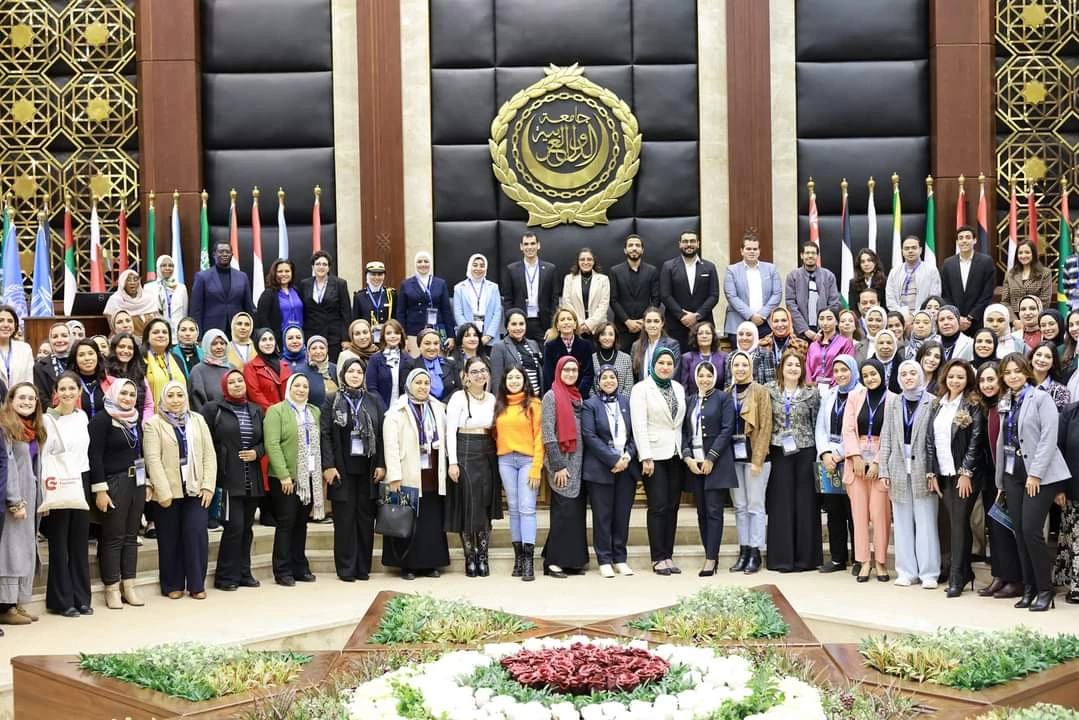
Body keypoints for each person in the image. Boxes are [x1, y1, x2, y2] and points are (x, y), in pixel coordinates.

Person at [996, 353, 1070, 611]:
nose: (1013, 376)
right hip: (1012, 473)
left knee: (1031, 531)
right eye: (1007, 372)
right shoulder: (1006, 400)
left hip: (1040, 475)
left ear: (1026, 372)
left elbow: (1050, 438)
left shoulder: (1040, 398)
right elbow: (1001, 442)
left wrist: (1035, 473)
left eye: (1017, 371)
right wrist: (1000, 480)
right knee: (1019, 532)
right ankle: (1028, 588)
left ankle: (1045, 591)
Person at [143, 381, 216, 599]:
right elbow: (152, 460)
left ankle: (196, 584)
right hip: (168, 493)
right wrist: (163, 493)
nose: (176, 400)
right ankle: (172, 584)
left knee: (196, 535)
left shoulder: (198, 420)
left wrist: (208, 485)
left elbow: (209, 455)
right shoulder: (153, 424)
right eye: (171, 396)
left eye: (179, 395)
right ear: (164, 399)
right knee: (169, 538)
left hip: (196, 489)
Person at [321, 357, 386, 582]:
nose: (355, 375)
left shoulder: (373, 400)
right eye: (351, 372)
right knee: (345, 521)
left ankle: (362, 567)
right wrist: (328, 466)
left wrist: (381, 463)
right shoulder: (332, 400)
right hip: (342, 470)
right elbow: (326, 434)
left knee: (365, 520)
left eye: (359, 371)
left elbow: (381, 434)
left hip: (368, 470)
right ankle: (347, 568)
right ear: (343, 375)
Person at [381, 367, 450, 580]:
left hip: (432, 472)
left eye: (426, 383)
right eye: (418, 383)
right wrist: (394, 476)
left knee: (430, 520)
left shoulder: (438, 408)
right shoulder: (396, 412)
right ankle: (407, 565)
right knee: (407, 520)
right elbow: (390, 446)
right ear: (409, 384)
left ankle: (430, 563)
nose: (423, 387)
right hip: (407, 472)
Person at [88, 378, 149, 610]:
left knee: (131, 536)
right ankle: (112, 587)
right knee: (113, 537)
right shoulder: (101, 421)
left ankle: (129, 585)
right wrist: (100, 489)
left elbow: (140, 453)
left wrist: (147, 483)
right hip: (113, 483)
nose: (127, 398)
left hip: (137, 482)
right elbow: (95, 457)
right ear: (113, 393)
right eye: (123, 393)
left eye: (132, 394)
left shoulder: (135, 420)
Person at [926, 359, 985, 596]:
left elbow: (976, 441)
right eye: (951, 376)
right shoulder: (938, 404)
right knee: (953, 524)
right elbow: (931, 441)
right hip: (943, 472)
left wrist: (966, 472)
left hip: (963, 475)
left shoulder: (972, 405)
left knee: (959, 524)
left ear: (967, 380)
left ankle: (957, 576)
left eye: (960, 377)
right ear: (945, 378)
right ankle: (964, 570)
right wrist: (931, 472)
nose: (955, 381)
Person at [202, 370, 264, 591]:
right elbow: (205, 441)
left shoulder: (256, 410)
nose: (237, 384)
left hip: (252, 479)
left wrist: (257, 452)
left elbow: (264, 441)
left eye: (240, 381)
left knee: (247, 529)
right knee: (234, 527)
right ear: (224, 386)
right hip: (229, 479)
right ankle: (226, 576)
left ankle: (244, 573)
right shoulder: (213, 409)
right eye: (232, 382)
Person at [879, 360, 939, 587]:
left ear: (921, 376)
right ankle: (906, 571)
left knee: (926, 521)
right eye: (904, 374)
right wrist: (884, 469)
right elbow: (886, 438)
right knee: (902, 522)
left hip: (923, 468)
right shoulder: (893, 403)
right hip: (897, 467)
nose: (908, 377)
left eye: (913, 373)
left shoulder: (932, 402)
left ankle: (929, 573)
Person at [630, 347, 686, 575]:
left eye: (669, 364)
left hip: (675, 454)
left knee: (672, 506)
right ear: (653, 365)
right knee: (658, 506)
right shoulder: (641, 389)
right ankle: (657, 557)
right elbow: (639, 424)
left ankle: (669, 555)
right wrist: (645, 456)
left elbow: (678, 423)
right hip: (653, 455)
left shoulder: (678, 388)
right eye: (661, 363)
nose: (665, 367)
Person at [764, 350, 821, 572]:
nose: (793, 369)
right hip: (779, 450)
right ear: (781, 368)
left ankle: (805, 559)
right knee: (781, 504)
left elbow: (817, 423)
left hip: (805, 451)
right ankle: (782, 559)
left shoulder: (812, 393)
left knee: (805, 503)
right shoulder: (769, 390)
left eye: (797, 365)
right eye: (789, 365)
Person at [444, 355, 501, 577]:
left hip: (487, 450)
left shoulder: (492, 398)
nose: (480, 375)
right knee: (469, 504)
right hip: (464, 449)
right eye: (474, 371)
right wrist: (453, 462)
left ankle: (483, 556)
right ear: (466, 376)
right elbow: (450, 431)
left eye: (483, 371)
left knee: (485, 504)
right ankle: (470, 555)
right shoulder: (458, 397)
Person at [264, 374, 323, 586]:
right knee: (287, 523)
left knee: (301, 524)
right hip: (286, 479)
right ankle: (283, 570)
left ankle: (300, 566)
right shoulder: (276, 411)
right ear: (289, 387)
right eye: (297, 385)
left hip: (308, 478)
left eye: (305, 386)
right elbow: (272, 444)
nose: (301, 389)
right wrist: (284, 475)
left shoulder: (314, 411)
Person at [0, 383, 51, 625]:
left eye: (32, 398)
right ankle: (5, 606)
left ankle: (19, 602)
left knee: (27, 549)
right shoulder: (6, 427)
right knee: (11, 551)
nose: (27, 402)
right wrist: (14, 500)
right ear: (11, 399)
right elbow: (8, 467)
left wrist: (42, 499)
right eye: (22, 397)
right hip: (15, 499)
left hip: (31, 497)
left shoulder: (34, 428)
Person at [582, 365, 638, 578]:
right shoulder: (590, 405)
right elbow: (590, 436)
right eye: (604, 377)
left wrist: (626, 457)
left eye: (612, 377)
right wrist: (613, 459)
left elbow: (635, 434)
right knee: (603, 516)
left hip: (626, 467)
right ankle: (604, 559)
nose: (608, 381)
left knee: (622, 515)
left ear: (618, 380)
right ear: (598, 381)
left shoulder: (626, 402)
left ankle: (620, 558)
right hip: (600, 469)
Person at [43, 373, 92, 617]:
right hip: (58, 481)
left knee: (79, 542)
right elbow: (44, 457)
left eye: (72, 388)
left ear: (79, 391)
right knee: (59, 543)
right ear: (56, 392)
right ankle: (62, 600)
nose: (67, 393)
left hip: (81, 479)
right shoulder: (47, 419)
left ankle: (82, 597)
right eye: (62, 388)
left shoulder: (83, 417)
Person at [681, 361, 736, 577]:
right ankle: (709, 552)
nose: (704, 379)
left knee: (714, 511)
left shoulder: (723, 398)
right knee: (701, 512)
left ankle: (711, 559)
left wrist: (712, 457)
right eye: (701, 375)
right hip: (695, 463)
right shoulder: (690, 400)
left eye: (708, 375)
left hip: (717, 462)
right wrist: (687, 457)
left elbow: (727, 429)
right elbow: (684, 432)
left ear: (714, 377)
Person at [975, 364, 1023, 599]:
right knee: (994, 528)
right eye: (983, 380)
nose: (987, 384)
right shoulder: (984, 407)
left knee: (1007, 528)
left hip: (1009, 475)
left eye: (991, 379)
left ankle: (1015, 579)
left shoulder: (1007, 404)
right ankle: (999, 576)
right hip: (990, 476)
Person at [540, 356, 589, 577]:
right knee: (562, 511)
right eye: (566, 370)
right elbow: (548, 434)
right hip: (561, 462)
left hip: (578, 462)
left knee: (575, 512)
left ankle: (572, 561)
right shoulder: (551, 396)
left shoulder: (578, 397)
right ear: (559, 371)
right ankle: (553, 562)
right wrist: (558, 465)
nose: (570, 373)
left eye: (574, 370)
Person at [494, 366, 544, 581]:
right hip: (505, 459)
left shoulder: (534, 404)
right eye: (510, 377)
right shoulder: (499, 405)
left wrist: (536, 467)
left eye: (518, 377)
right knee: (513, 508)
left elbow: (540, 437)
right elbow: (494, 433)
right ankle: (517, 559)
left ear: (525, 380)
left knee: (527, 508)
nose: (514, 381)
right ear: (504, 381)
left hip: (527, 460)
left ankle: (528, 561)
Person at [726, 351, 772, 573]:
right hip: (735, 459)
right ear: (731, 368)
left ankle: (756, 552)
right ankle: (743, 551)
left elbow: (765, 427)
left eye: (745, 364)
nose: (741, 368)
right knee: (740, 507)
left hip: (756, 458)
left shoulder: (760, 391)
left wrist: (758, 459)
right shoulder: (727, 393)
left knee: (755, 507)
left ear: (751, 367)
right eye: (737, 365)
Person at [814, 355, 858, 573]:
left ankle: (859, 559)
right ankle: (838, 558)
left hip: (850, 459)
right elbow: (820, 427)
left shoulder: (860, 393)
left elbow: (857, 431)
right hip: (829, 462)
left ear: (853, 370)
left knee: (854, 513)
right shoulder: (829, 395)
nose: (840, 374)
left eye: (845, 370)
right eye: (837, 370)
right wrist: (824, 453)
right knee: (833, 512)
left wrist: (839, 453)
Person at [660, 229, 721, 350]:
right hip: (676, 325)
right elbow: (665, 295)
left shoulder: (709, 267)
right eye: (685, 241)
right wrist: (682, 316)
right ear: (680, 244)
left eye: (692, 241)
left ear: (698, 243)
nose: (689, 244)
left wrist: (697, 316)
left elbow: (714, 295)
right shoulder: (668, 266)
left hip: (703, 325)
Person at [501, 232, 563, 343]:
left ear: (538, 245)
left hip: (543, 324)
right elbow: (508, 300)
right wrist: (511, 322)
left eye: (532, 243)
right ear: (521, 247)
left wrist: (552, 326)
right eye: (526, 244)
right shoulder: (512, 269)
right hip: (519, 323)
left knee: (544, 357)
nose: (529, 247)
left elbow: (554, 300)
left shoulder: (550, 269)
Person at [723, 229, 782, 344]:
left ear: (759, 251)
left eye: (755, 249)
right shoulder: (731, 270)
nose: (752, 252)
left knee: (766, 359)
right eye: (748, 249)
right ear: (742, 251)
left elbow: (777, 294)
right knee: (741, 360)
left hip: (765, 324)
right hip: (738, 325)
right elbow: (732, 296)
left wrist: (762, 315)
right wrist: (751, 316)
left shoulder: (771, 269)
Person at [189, 240, 255, 336]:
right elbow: (196, 309)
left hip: (237, 330)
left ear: (232, 254)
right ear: (214, 254)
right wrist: (197, 335)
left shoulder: (242, 277)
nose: (224, 254)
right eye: (221, 252)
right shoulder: (202, 277)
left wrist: (252, 333)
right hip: (211, 330)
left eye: (227, 252)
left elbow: (248, 307)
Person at [940, 225, 996, 334]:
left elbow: (987, 293)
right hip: (955, 322)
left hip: (978, 321)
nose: (964, 241)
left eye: (968, 237)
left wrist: (971, 316)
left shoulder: (986, 262)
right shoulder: (948, 263)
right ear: (957, 241)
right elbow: (946, 294)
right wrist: (957, 317)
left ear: (974, 240)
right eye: (961, 238)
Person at [609, 234, 660, 351]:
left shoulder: (652, 271)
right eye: (630, 245)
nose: (634, 248)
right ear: (625, 250)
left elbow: (656, 299)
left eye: (637, 245)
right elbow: (613, 299)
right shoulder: (615, 271)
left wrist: (644, 320)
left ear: (642, 250)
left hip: (646, 327)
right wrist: (627, 321)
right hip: (622, 327)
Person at [299, 251, 351, 362]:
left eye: (324, 264)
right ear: (313, 266)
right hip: (311, 335)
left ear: (329, 267)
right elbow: (303, 311)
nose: (321, 267)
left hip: (333, 337)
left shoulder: (340, 284)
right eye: (318, 264)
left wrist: (346, 339)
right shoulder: (305, 284)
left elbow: (346, 312)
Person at [397, 251, 454, 353]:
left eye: (426, 261)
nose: (423, 264)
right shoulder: (406, 284)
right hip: (413, 333)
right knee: (416, 365)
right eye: (419, 262)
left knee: (437, 365)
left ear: (430, 264)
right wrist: (403, 338)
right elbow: (400, 313)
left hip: (437, 331)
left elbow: (446, 311)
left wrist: (451, 335)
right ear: (415, 264)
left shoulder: (440, 283)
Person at [785, 241, 841, 342]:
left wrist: (823, 328)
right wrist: (805, 330)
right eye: (807, 253)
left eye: (813, 253)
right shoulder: (793, 276)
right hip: (800, 333)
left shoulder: (828, 276)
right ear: (802, 255)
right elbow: (791, 304)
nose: (810, 256)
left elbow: (834, 303)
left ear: (817, 256)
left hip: (826, 332)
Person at [1053, 401, 1079, 605]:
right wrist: (1059, 487)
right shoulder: (1071, 411)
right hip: (1073, 488)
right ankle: (1075, 586)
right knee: (1074, 539)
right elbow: (1058, 449)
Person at [453, 253, 503, 351]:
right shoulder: (459, 288)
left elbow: (497, 312)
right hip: (467, 338)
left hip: (489, 339)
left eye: (482, 266)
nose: (478, 268)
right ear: (469, 266)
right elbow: (458, 313)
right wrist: (469, 334)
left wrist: (488, 336)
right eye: (475, 265)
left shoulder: (493, 287)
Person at [490, 309, 543, 397]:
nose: (518, 328)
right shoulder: (499, 347)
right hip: (514, 401)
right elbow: (496, 381)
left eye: (521, 324)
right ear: (507, 326)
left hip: (536, 399)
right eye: (514, 324)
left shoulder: (533, 344)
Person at [542, 307, 595, 396]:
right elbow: (548, 375)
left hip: (580, 395)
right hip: (558, 395)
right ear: (557, 326)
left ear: (575, 324)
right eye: (562, 320)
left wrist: (578, 394)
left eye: (569, 319)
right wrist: (559, 395)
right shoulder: (550, 346)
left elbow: (588, 374)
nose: (566, 322)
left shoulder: (586, 345)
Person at [103, 333, 154, 423]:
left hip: (138, 426)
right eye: (122, 346)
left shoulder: (140, 374)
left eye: (130, 348)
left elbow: (148, 405)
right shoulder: (106, 373)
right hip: (115, 425)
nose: (126, 351)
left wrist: (145, 423)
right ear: (114, 349)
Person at [560, 247, 610, 339]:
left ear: (594, 261)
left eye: (589, 259)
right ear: (578, 262)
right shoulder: (569, 279)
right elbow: (567, 303)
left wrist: (588, 324)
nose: (586, 262)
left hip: (598, 328)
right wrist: (580, 323)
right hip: (576, 327)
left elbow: (604, 305)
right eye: (582, 259)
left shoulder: (603, 279)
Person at [886, 235, 942, 316]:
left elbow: (934, 297)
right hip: (900, 320)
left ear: (920, 250)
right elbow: (890, 299)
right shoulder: (894, 272)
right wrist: (902, 316)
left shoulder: (931, 271)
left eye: (914, 248)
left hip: (924, 318)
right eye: (907, 248)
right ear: (902, 251)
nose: (910, 251)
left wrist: (914, 316)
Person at [255, 258, 303, 346]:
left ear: (292, 273)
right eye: (280, 271)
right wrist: (271, 340)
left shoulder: (296, 291)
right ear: (274, 273)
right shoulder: (268, 294)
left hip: (298, 339)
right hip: (279, 341)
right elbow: (263, 319)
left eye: (287, 271)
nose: (284, 274)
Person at [404, 328, 461, 403]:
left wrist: (443, 404)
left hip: (447, 408)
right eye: (427, 343)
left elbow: (458, 388)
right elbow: (407, 391)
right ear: (419, 346)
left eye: (436, 343)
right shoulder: (410, 365)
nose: (432, 347)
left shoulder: (451, 364)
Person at [1001, 240, 1054, 320]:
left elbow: (1045, 301)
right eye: (1020, 253)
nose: (1023, 255)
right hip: (1015, 320)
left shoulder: (1045, 273)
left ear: (1033, 254)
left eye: (1027, 252)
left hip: (1037, 318)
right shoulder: (1010, 274)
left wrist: (1032, 319)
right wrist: (1014, 321)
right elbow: (1005, 301)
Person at [805, 307, 854, 389]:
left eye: (829, 319)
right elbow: (808, 369)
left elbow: (848, 367)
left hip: (836, 388)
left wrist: (835, 387)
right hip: (814, 389)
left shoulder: (845, 343)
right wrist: (810, 387)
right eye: (821, 319)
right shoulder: (813, 345)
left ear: (836, 322)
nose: (825, 323)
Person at [630, 306, 681, 384]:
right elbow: (634, 375)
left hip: (663, 390)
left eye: (656, 321)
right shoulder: (636, 346)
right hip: (642, 392)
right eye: (649, 321)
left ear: (662, 323)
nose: (652, 325)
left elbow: (674, 373)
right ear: (644, 324)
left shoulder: (672, 345)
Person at [243, 328, 290, 412]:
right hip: (267, 415)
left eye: (271, 339)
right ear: (257, 343)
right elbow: (255, 394)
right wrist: (274, 411)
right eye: (263, 340)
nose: (268, 343)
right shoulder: (250, 367)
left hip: (288, 413)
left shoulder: (284, 365)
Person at [365, 319, 409, 409]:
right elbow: (372, 388)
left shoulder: (408, 359)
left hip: (403, 410)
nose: (393, 336)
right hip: (380, 410)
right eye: (388, 333)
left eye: (396, 333)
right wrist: (384, 410)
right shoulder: (375, 359)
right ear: (383, 337)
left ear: (401, 336)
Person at [104, 269, 161, 337]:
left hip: (148, 341)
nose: (132, 282)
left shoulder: (148, 298)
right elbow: (113, 327)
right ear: (123, 283)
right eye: (128, 280)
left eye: (135, 279)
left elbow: (157, 323)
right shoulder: (115, 300)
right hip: (123, 340)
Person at [143, 255, 189, 335]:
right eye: (163, 265)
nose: (167, 268)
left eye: (170, 265)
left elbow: (184, 312)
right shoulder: (148, 288)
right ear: (158, 267)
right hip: (157, 331)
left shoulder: (181, 287)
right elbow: (147, 313)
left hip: (177, 332)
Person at [352, 261, 396, 342]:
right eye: (373, 274)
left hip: (387, 338)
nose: (376, 277)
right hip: (366, 339)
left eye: (380, 274)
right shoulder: (359, 296)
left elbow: (395, 317)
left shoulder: (391, 294)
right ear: (367, 276)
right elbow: (356, 321)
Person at [142, 318, 182, 407]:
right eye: (156, 332)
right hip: (152, 416)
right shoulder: (141, 360)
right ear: (147, 337)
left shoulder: (177, 359)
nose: (161, 335)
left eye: (164, 332)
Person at [189, 329, 231, 411]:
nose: (219, 347)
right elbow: (197, 403)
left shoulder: (232, 368)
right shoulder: (198, 370)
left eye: (222, 343)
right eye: (214, 344)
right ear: (207, 345)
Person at [680, 320, 726, 392]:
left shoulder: (724, 357)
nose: (704, 336)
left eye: (708, 333)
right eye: (700, 333)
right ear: (695, 337)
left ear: (713, 336)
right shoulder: (687, 358)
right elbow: (684, 386)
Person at [592, 322, 633, 399]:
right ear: (598, 337)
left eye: (611, 334)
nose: (607, 338)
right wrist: (597, 403)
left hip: (621, 405)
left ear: (615, 337)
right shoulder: (592, 359)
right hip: (597, 406)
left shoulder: (626, 358)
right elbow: (590, 387)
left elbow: (628, 386)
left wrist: (619, 403)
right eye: (603, 334)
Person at [33, 321, 72, 403]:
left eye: (64, 336)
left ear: (71, 338)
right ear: (50, 340)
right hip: (53, 413)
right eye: (55, 337)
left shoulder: (78, 361)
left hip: (80, 412)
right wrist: (57, 414)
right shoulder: (39, 366)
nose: (59, 340)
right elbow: (42, 399)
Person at [297, 335, 337, 410]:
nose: (318, 351)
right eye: (314, 348)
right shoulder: (301, 371)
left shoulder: (335, 369)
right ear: (308, 351)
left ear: (327, 350)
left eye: (322, 348)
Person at [70, 339, 105, 419]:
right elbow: (54, 411)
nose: (87, 358)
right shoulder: (66, 382)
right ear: (75, 358)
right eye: (81, 355)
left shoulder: (111, 382)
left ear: (97, 355)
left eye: (91, 353)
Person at [724, 321, 766, 387]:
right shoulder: (731, 356)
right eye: (741, 334)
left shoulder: (765, 354)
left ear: (755, 336)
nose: (744, 338)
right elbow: (727, 384)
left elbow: (771, 385)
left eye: (749, 335)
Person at [1031, 340, 1071, 409]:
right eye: (1038, 355)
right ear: (1032, 357)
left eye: (1048, 357)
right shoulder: (1020, 383)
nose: (1042, 360)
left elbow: (1059, 418)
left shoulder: (1060, 392)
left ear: (1053, 362)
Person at [0, 306, 33, 389]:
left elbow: (29, 382)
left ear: (15, 325)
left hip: (19, 399)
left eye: (10, 321)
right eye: (1, 320)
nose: (6, 325)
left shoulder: (25, 349)